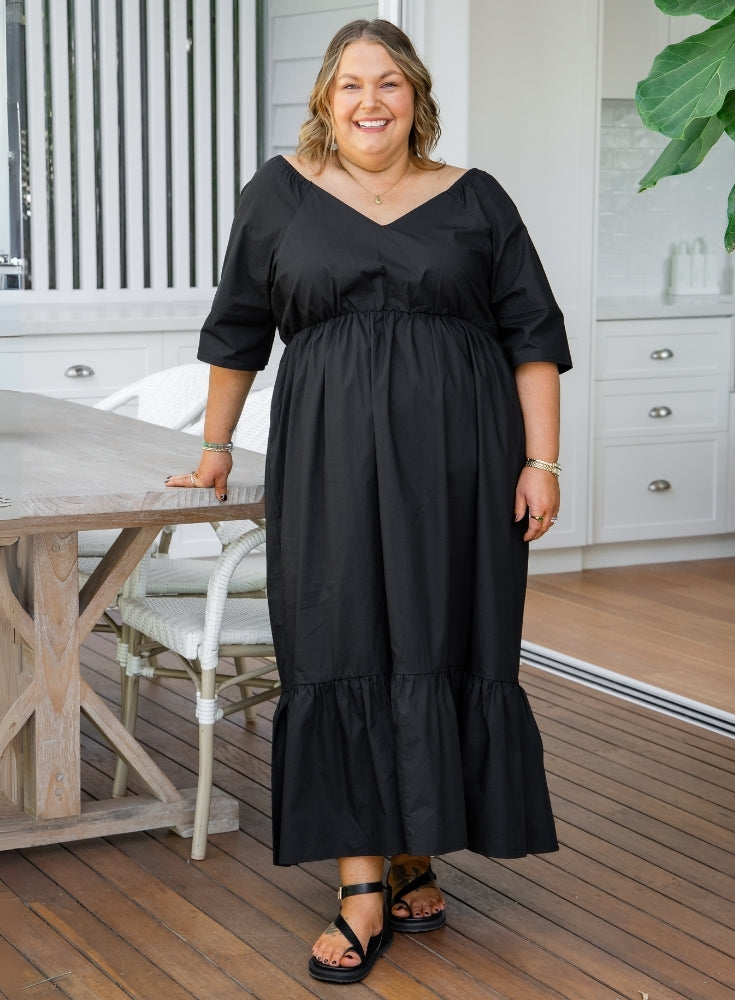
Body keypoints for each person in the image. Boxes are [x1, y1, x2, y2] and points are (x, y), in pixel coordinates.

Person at [166, 18, 571, 985]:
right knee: (341, 640)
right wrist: (215, 449)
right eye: (351, 84)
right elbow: (237, 329)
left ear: (416, 97)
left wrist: (542, 462)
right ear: (325, 99)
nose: (370, 100)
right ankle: (359, 888)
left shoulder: (476, 198)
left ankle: (414, 853)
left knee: (439, 638)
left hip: (462, 465)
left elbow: (532, 336)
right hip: (329, 461)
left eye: (388, 82)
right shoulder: (280, 194)